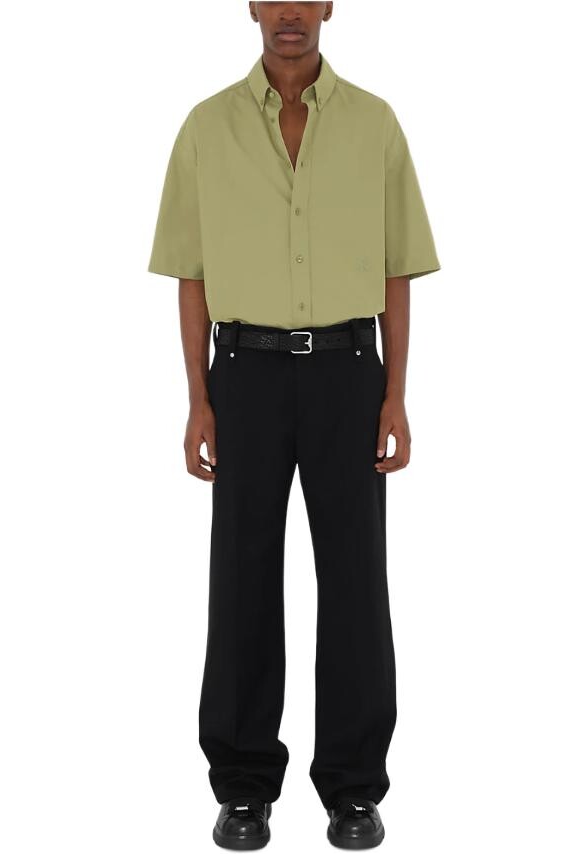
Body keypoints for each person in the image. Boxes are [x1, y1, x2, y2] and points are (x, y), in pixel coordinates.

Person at [147, 2, 440, 848]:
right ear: (250, 5)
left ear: (328, 6)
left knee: (355, 579)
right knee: (242, 574)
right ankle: (243, 786)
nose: (288, 12)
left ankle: (353, 787)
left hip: (350, 373)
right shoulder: (205, 128)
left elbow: (397, 270)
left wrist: (396, 395)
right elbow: (191, 274)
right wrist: (199, 398)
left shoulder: (375, 125)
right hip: (244, 374)